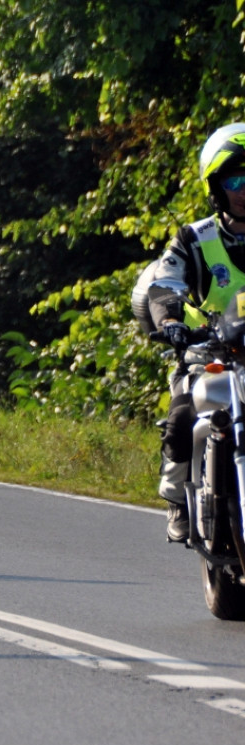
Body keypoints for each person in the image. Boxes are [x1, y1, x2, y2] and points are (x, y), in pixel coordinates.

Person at [134, 123, 245, 542]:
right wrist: (170, 322)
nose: (244, 190)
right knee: (182, 416)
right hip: (211, 353)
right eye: (236, 179)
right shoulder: (194, 239)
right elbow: (165, 285)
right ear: (216, 186)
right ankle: (177, 500)